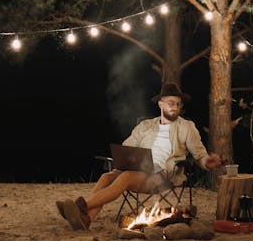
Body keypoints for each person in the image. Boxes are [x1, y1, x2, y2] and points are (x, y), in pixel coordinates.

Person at [57, 82, 222, 231]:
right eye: (171, 103)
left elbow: (200, 154)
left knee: (126, 176)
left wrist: (208, 161)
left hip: (162, 176)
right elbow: (127, 147)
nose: (175, 107)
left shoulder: (187, 127)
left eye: (178, 104)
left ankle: (80, 207)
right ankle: (86, 219)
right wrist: (125, 160)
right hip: (139, 170)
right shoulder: (145, 126)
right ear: (161, 104)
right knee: (106, 176)